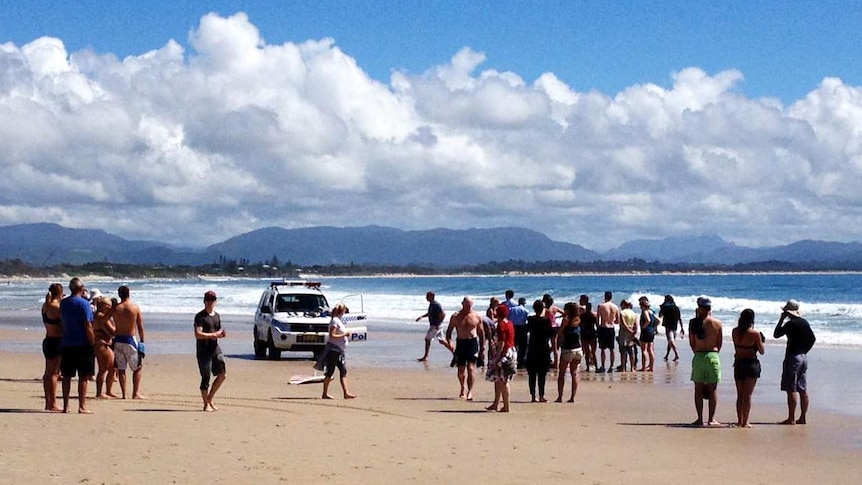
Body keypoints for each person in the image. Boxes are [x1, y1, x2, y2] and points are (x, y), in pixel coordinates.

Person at [773, 299, 816, 425]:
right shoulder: (804, 322)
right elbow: (812, 339)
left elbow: (776, 334)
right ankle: (802, 417)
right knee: (802, 388)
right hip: (803, 356)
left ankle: (791, 418)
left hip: (793, 357)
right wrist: (804, 350)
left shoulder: (790, 325)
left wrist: (781, 319)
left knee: (791, 387)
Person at [59, 277, 95, 414]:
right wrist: (92, 341)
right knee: (83, 376)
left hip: (67, 342)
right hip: (82, 343)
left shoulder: (64, 303)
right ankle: (82, 405)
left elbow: (62, 320)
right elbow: (88, 325)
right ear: (81, 288)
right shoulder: (84, 304)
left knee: (67, 376)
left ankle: (66, 406)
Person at [689, 296, 723, 426]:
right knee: (713, 389)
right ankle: (711, 419)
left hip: (698, 355)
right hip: (713, 355)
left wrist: (698, 352)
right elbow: (719, 343)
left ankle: (699, 419)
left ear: (699, 308)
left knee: (698, 389)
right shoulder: (717, 323)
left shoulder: (693, 323)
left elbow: (692, 343)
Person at [444, 296, 485, 401]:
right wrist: (450, 342)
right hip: (461, 343)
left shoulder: (476, 316)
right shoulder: (456, 316)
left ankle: (470, 391)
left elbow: (481, 333)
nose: (468, 307)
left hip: (472, 343)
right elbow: (449, 331)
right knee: (461, 370)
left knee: (471, 368)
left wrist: (482, 348)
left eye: (470, 305)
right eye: (467, 305)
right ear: (462, 304)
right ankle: (463, 387)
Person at [194, 290, 227, 411]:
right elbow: (198, 334)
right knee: (206, 377)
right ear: (204, 301)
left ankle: (210, 398)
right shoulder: (200, 316)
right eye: (208, 300)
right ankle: (205, 403)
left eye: (212, 300)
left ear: (216, 301)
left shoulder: (217, 316)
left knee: (222, 374)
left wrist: (220, 335)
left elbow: (217, 332)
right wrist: (214, 335)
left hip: (215, 348)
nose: (210, 302)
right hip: (203, 350)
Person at [732, 309, 765, 428]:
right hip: (751, 364)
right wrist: (761, 341)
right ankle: (745, 422)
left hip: (739, 363)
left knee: (740, 395)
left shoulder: (735, 331)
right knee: (748, 395)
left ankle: (739, 420)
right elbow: (762, 351)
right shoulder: (755, 334)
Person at [113, 285, 146, 399]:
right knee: (137, 367)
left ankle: (123, 394)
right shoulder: (134, 308)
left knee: (121, 368)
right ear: (129, 294)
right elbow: (140, 325)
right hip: (129, 339)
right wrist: (142, 340)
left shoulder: (116, 308)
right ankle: (135, 392)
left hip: (117, 339)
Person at [321, 303, 356, 400]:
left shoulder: (338, 321)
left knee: (343, 370)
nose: (345, 312)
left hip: (339, 350)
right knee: (330, 371)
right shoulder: (335, 321)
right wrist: (344, 335)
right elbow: (332, 335)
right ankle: (325, 393)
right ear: (341, 311)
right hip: (333, 350)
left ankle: (346, 392)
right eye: (344, 310)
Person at [486, 304, 515, 412]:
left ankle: (506, 406)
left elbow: (502, 342)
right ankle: (496, 403)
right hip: (511, 351)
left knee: (503, 380)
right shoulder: (510, 323)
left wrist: (497, 358)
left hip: (504, 353)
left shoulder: (501, 325)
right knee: (498, 379)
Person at [41, 283, 64, 412]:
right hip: (56, 340)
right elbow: (64, 323)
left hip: (48, 339)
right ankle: (53, 402)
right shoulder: (56, 307)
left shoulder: (45, 306)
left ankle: (48, 401)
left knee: (48, 373)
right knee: (54, 373)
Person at [525, 299, 552, 402]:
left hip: (532, 348)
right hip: (543, 348)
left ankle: (533, 396)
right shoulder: (546, 321)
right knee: (542, 375)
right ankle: (541, 395)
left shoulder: (530, 319)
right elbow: (550, 333)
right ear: (543, 309)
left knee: (532, 375)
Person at [556, 302, 583, 403]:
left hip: (568, 349)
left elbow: (560, 332)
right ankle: (572, 397)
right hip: (578, 349)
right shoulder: (578, 319)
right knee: (574, 373)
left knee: (562, 374)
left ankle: (560, 397)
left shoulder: (566, 320)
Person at [93, 296, 118, 399]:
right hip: (101, 344)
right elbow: (112, 331)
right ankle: (99, 392)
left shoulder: (103, 316)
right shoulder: (100, 316)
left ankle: (108, 390)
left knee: (112, 368)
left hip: (106, 343)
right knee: (103, 369)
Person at [415, 291, 449, 362]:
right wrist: (422, 317)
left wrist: (438, 324)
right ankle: (455, 353)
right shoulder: (432, 304)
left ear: (432, 296)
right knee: (442, 341)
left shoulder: (436, 305)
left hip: (435, 326)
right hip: (436, 325)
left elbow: (443, 314)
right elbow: (430, 313)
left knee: (427, 339)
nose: (426, 297)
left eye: (427, 296)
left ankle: (425, 357)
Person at [596, 291, 620, 373]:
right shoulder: (615, 307)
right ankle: (611, 366)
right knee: (612, 349)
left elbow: (597, 319)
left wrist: (598, 327)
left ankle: (603, 366)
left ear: (605, 297)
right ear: (611, 297)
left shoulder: (601, 306)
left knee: (602, 349)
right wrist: (612, 321)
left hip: (603, 328)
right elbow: (618, 321)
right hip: (611, 328)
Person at [506, 293, 529, 370]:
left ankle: (513, 360)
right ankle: (520, 362)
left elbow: (508, 318)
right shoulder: (526, 311)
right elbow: (526, 320)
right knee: (523, 346)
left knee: (514, 345)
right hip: (522, 328)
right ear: (524, 303)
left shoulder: (512, 309)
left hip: (514, 327)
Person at [542, 294, 564, 369]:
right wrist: (557, 317)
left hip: (546, 328)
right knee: (555, 348)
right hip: (554, 328)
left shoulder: (544, 309)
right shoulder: (554, 308)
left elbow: (541, 317)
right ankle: (556, 364)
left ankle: (546, 361)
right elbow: (564, 313)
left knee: (544, 345)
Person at [659, 295, 683, 361]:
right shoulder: (676, 308)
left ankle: (677, 354)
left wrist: (661, 308)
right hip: (675, 326)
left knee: (671, 341)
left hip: (668, 327)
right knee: (670, 341)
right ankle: (667, 355)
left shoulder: (665, 307)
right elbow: (679, 318)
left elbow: (660, 315)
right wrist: (682, 327)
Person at [637, 296, 659, 372]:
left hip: (646, 331)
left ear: (642, 305)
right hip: (651, 331)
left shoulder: (645, 311)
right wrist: (654, 327)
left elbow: (648, 320)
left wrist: (643, 327)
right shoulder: (651, 312)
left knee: (644, 350)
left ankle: (643, 367)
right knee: (650, 349)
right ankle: (651, 366)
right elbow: (658, 321)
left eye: (640, 305)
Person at [617, 300, 638, 372]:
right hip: (631, 331)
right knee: (631, 351)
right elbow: (636, 323)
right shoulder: (633, 313)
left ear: (623, 305)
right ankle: (632, 368)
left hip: (624, 331)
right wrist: (635, 331)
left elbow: (623, 323)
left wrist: (629, 330)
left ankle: (623, 368)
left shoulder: (622, 312)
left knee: (623, 351)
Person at [578, 296, 598, 372]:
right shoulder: (593, 316)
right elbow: (597, 325)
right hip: (592, 334)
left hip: (584, 334)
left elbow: (580, 324)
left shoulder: (582, 315)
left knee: (586, 352)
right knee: (593, 352)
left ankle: (588, 368)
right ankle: (596, 367)